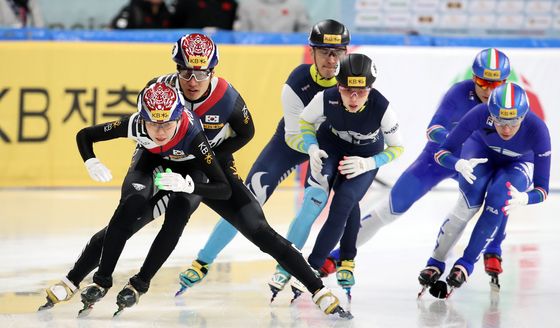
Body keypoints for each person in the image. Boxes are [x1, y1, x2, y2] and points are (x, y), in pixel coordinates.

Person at [40, 33, 352, 319]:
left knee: (258, 230)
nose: (193, 80)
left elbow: (247, 132)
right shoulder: (157, 89)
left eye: (201, 72)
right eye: (186, 71)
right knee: (124, 221)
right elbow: (141, 131)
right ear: (176, 68)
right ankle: (72, 280)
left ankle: (318, 289)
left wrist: (209, 158)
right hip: (160, 162)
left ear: (212, 71)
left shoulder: (227, 97)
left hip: (206, 166)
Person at [176, 19, 349, 297]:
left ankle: (286, 268)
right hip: (292, 142)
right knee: (247, 199)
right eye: (325, 52)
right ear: (312, 52)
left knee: (313, 204)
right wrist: (313, 147)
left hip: (329, 148)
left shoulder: (352, 81)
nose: (332, 59)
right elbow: (294, 136)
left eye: (338, 52)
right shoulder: (297, 82)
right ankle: (203, 260)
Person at [326, 48, 513, 289]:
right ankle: (339, 253)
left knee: (501, 194)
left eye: (495, 84)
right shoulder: (459, 93)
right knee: (391, 209)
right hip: (438, 159)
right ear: (473, 78)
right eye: (482, 82)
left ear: (505, 82)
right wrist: (459, 143)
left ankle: (493, 247)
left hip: (476, 165)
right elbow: (433, 130)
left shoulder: (510, 103)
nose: (488, 91)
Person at [51, 80, 232, 316]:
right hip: (151, 160)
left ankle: (140, 283)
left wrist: (189, 185)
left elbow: (224, 189)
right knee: (129, 206)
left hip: (190, 168)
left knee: (178, 214)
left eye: (166, 125)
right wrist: (91, 161)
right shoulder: (135, 124)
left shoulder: (194, 135)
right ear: (141, 118)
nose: (159, 132)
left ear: (178, 119)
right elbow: (85, 135)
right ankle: (101, 280)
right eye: (152, 124)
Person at [287, 53, 403, 300]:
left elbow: (397, 148)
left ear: (370, 89)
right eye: (347, 89)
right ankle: (347, 259)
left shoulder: (382, 107)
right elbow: (305, 122)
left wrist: (370, 163)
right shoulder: (325, 97)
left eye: (361, 92)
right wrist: (311, 147)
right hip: (332, 146)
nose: (353, 97)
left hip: (366, 155)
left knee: (344, 201)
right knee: (324, 193)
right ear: (337, 85)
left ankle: (312, 266)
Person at [420, 82, 550, 296]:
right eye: (499, 121)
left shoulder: (538, 129)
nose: (506, 129)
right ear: (491, 114)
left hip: (518, 163)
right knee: (467, 202)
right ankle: (435, 261)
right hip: (481, 152)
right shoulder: (479, 113)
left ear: (524, 116)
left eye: (514, 122)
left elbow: (542, 189)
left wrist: (527, 198)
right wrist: (457, 163)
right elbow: (441, 152)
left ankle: (466, 263)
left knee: (499, 199)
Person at [234, 0, 309, 32]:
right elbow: (241, 37)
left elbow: (304, 35)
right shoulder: (247, 6)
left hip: (288, 57)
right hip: (254, 57)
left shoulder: (296, 6)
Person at [170, 0, 238, 30]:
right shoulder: (186, 2)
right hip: (191, 46)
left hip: (222, 46)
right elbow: (175, 26)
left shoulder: (231, 4)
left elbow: (230, 28)